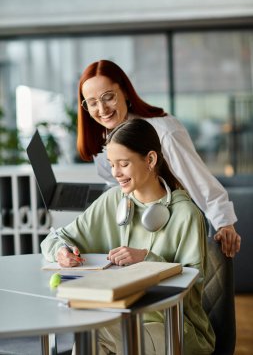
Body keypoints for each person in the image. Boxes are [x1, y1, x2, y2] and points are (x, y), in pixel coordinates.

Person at [41, 118, 215, 355]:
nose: (115, 173)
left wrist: (147, 259)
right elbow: (54, 238)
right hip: (124, 317)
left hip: (174, 327)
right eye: (112, 164)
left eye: (123, 164)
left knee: (94, 332)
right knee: (91, 334)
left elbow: (191, 288)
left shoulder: (187, 214)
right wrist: (62, 250)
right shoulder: (113, 200)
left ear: (150, 160)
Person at [76, 59, 241, 258]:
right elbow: (116, 184)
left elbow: (200, 181)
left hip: (172, 227)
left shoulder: (164, 132)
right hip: (134, 228)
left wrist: (225, 224)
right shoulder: (103, 136)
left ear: (125, 92)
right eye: (92, 103)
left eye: (108, 97)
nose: (102, 109)